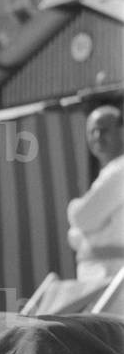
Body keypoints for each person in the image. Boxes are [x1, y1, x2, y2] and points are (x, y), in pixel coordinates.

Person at [67, 104, 124, 281]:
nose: (97, 137)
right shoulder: (111, 171)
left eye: (104, 130)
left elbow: (83, 218)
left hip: (113, 283)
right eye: (92, 131)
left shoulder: (120, 169)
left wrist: (73, 207)